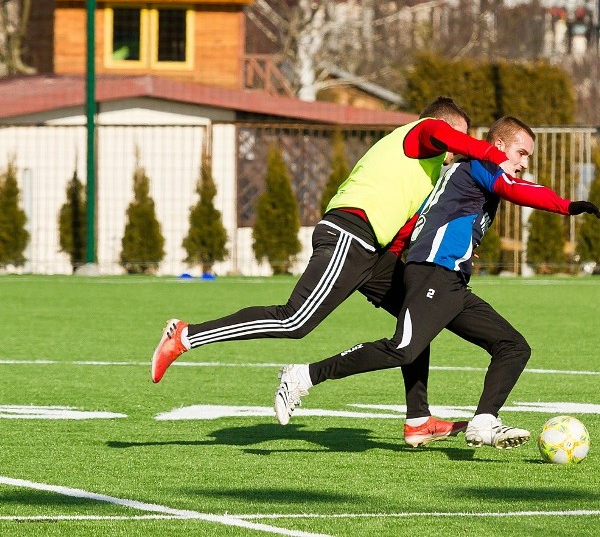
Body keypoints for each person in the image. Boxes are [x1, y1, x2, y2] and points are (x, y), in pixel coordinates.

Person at [151, 97, 517, 448]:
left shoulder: (434, 170)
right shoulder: (420, 132)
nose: (458, 149)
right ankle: (186, 336)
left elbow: (408, 228)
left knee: (417, 315)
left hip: (376, 252)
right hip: (350, 234)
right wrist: (492, 153)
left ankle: (418, 419)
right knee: (294, 321)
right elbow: (447, 138)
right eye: (458, 138)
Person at [273, 116, 600, 449]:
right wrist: (567, 206)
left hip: (451, 281)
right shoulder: (481, 165)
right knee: (403, 348)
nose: (524, 162)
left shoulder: (458, 173)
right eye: (521, 152)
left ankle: (476, 420)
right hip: (434, 272)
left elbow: (417, 221)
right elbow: (513, 189)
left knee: (513, 347)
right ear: (499, 146)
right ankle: (304, 375)